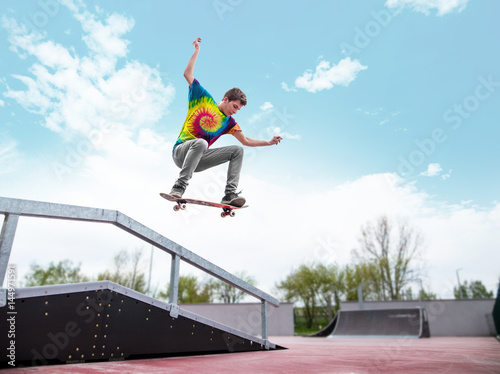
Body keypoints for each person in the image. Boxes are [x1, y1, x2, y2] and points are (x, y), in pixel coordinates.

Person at [170, 37, 282, 207]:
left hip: (199, 160)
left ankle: (229, 194)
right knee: (200, 143)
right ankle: (179, 187)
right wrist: (196, 51)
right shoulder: (202, 98)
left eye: (238, 109)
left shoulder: (229, 122)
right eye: (234, 106)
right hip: (181, 153)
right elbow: (187, 74)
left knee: (237, 150)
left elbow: (246, 141)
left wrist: (268, 142)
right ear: (226, 99)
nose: (235, 111)